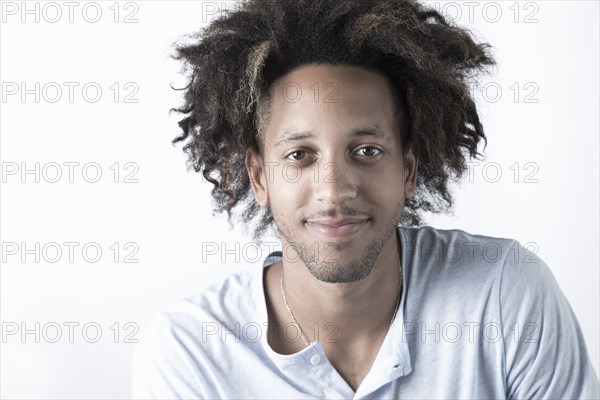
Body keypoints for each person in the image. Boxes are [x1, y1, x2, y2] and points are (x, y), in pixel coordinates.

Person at [132, 0, 600, 398]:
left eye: (367, 151)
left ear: (409, 169)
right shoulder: (190, 350)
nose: (334, 190)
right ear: (259, 177)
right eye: (300, 155)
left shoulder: (504, 295)